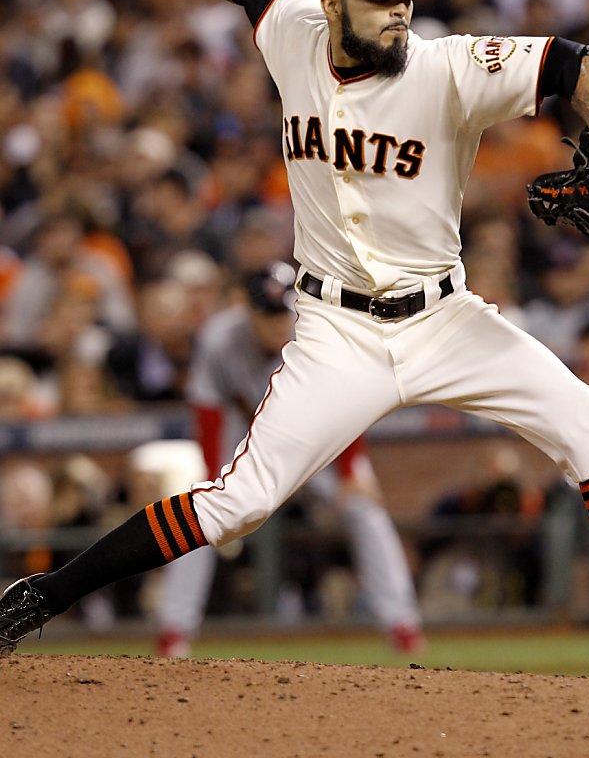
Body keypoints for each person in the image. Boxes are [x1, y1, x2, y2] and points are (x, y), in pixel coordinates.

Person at [2, 0, 589, 671]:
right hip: (336, 333)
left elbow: (569, 61)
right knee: (241, 503)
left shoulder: (444, 66)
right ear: (332, 8)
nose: (398, 12)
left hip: (444, 319)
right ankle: (40, 598)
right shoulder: (296, 29)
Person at [151, 261, 423, 655]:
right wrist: (215, 482)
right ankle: (174, 629)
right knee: (202, 510)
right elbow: (208, 412)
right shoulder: (220, 340)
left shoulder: (315, 330)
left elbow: (346, 403)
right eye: (268, 313)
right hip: (245, 432)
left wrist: (350, 473)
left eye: (284, 311)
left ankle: (402, 624)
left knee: (365, 507)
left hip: (315, 431)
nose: (279, 321)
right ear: (248, 311)